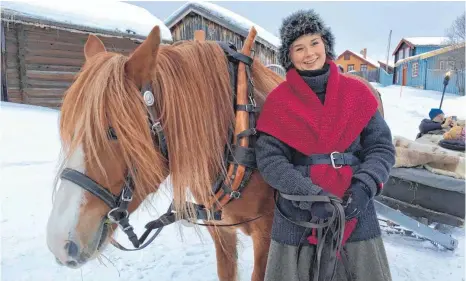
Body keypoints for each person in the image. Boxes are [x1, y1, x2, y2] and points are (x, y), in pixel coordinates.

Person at [255, 9, 396, 281]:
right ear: (289, 56)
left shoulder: (358, 93)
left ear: (325, 45)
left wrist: (365, 186)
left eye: (314, 43)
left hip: (355, 205)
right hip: (299, 213)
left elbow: (381, 148)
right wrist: (310, 195)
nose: (309, 54)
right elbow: (271, 162)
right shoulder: (278, 102)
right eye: (299, 48)